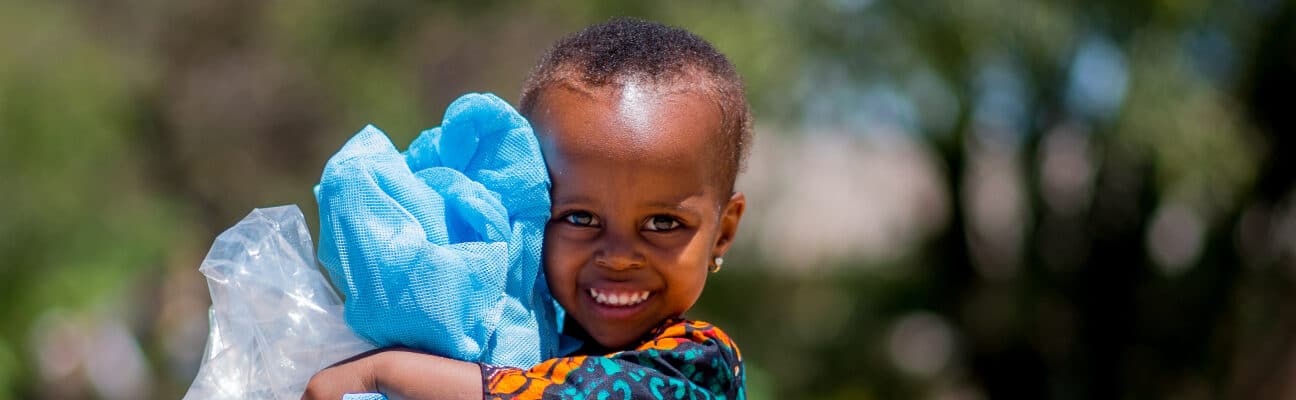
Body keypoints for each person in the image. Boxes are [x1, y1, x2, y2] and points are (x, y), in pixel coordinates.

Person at [304, 17, 753, 400]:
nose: (618, 255)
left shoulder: (699, 363)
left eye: (662, 223)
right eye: (580, 218)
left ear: (723, 231)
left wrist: (384, 373)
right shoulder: (532, 332)